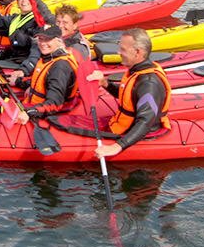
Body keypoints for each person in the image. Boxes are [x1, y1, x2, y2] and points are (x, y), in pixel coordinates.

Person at [86, 28, 171, 158]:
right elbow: (128, 96)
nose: (118, 52)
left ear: (138, 52)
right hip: (122, 125)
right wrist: (105, 83)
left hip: (140, 133)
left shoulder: (148, 83)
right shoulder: (136, 71)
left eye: (123, 49)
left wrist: (117, 146)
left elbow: (145, 122)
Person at [12, 24, 80, 125]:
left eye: (47, 39)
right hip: (33, 106)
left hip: (45, 116)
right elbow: (41, 82)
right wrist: (18, 81)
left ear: (58, 41)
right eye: (40, 39)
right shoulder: (48, 57)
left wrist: (29, 112)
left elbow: (54, 104)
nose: (43, 43)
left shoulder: (60, 67)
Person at [0, 0, 54, 79]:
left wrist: (24, 70)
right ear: (17, 3)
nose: (24, 1)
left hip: (26, 63)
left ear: (32, 1)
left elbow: (36, 51)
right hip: (15, 58)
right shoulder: (16, 19)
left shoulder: (38, 22)